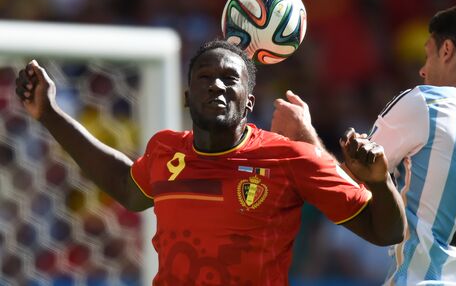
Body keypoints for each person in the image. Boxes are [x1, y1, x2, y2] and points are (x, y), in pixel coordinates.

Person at [15, 40, 405, 285]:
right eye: (205, 77)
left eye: (229, 79)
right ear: (187, 97)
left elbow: (386, 232)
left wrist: (378, 181)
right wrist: (48, 113)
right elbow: (125, 188)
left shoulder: (289, 156)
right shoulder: (166, 151)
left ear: (249, 101)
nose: (217, 85)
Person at [271, 4, 456, 285]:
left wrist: (304, 134)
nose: (422, 70)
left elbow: (348, 185)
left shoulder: (428, 103)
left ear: (447, 50)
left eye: (427, 53)